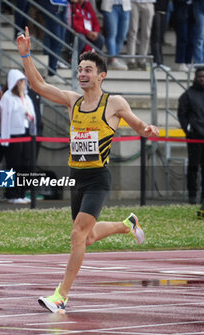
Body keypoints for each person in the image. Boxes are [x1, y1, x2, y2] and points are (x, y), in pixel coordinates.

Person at [17, 27, 159, 313]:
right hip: (77, 178)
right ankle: (126, 225)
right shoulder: (73, 101)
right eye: (80, 70)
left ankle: (61, 296)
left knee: (77, 234)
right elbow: (40, 87)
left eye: (88, 70)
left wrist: (147, 128)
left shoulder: (114, 103)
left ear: (101, 75)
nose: (82, 74)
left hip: (98, 179)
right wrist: (26, 55)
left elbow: (137, 125)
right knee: (88, 236)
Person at [0, 69, 36, 204]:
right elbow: (6, 117)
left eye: (23, 81)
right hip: (12, 134)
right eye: (19, 81)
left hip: (25, 133)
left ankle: (20, 192)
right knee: (11, 164)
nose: (22, 84)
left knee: (23, 163)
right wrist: (5, 137)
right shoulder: (7, 97)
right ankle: (10, 193)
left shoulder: (26, 97)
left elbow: (32, 115)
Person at [177, 67, 204, 204]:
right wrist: (188, 130)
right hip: (195, 137)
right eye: (200, 76)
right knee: (193, 167)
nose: (202, 79)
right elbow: (182, 114)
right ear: (195, 77)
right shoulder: (188, 95)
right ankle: (192, 196)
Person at [38, 0, 68, 84]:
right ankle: (51, 72)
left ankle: (52, 68)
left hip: (63, 6)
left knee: (60, 40)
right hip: (52, 7)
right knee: (56, 41)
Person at [101, 0, 131, 70]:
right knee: (112, 33)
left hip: (125, 7)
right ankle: (113, 60)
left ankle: (114, 58)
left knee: (122, 36)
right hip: (110, 6)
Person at [127, 0, 155, 70]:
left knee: (146, 34)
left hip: (148, 2)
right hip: (133, 2)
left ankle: (142, 61)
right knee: (133, 31)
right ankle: (131, 60)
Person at [173, 0, 195, 72]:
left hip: (192, 10)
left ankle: (188, 61)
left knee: (191, 39)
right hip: (181, 10)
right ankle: (181, 62)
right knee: (182, 38)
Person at [150, 0, 171, 72]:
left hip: (164, 11)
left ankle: (160, 62)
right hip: (155, 10)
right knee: (156, 37)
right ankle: (156, 62)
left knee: (160, 38)